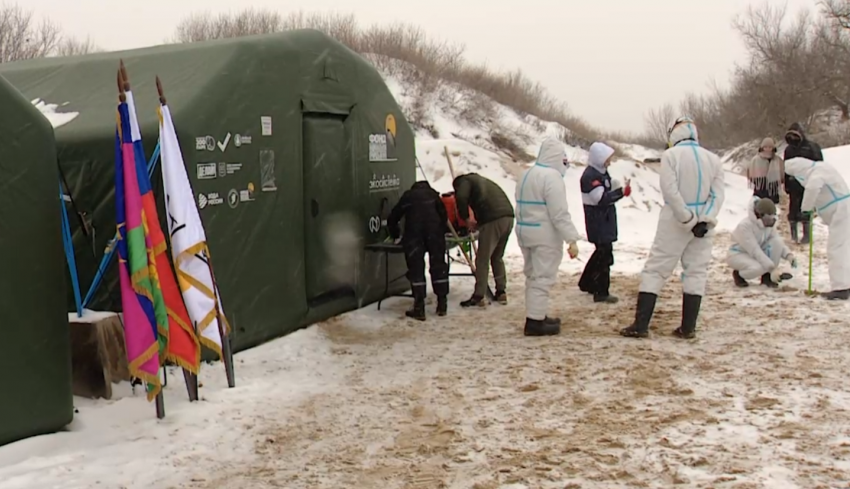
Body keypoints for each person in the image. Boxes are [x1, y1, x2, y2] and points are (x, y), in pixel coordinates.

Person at [620, 116, 725, 340]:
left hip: (674, 219)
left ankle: (641, 324)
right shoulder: (713, 159)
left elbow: (670, 190)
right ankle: (688, 327)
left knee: (656, 269)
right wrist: (704, 219)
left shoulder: (671, 156)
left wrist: (686, 218)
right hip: (704, 224)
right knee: (696, 272)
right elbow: (718, 195)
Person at [515, 137, 581, 336]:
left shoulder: (526, 173)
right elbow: (559, 213)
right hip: (544, 235)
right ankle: (535, 322)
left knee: (532, 276)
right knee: (542, 278)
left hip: (524, 231)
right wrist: (572, 239)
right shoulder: (551, 178)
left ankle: (537, 314)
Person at [784, 156, 850, 300]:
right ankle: (845, 283)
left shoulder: (816, 173)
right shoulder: (821, 167)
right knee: (844, 247)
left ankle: (841, 288)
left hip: (841, 212)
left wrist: (805, 209)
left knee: (837, 248)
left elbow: (812, 187)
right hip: (842, 210)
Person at [387, 180, 450, 320]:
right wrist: (441, 231)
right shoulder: (433, 195)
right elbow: (444, 216)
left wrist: (395, 235)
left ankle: (419, 307)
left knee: (416, 269)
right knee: (438, 266)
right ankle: (442, 304)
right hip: (435, 235)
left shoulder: (409, 196)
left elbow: (393, 217)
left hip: (414, 236)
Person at [577, 141, 631, 304]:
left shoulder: (599, 173)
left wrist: (616, 190)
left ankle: (587, 283)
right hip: (598, 222)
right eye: (607, 158)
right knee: (604, 256)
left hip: (603, 221)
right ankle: (601, 291)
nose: (609, 162)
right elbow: (600, 198)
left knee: (601, 253)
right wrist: (620, 193)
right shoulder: (590, 176)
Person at [452, 172, 515, 307]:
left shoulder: (464, 182)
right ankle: (501, 291)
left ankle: (479, 296)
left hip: (493, 219)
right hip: (508, 217)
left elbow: (461, 197)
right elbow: (487, 201)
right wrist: (480, 223)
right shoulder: (482, 181)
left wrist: (466, 219)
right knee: (497, 256)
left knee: (482, 259)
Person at [727, 197, 796, 288]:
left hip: (758, 252)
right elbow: (754, 250)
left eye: (773, 216)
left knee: (777, 242)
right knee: (758, 268)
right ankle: (739, 274)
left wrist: (789, 256)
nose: (771, 220)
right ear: (760, 215)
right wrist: (772, 269)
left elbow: (777, 241)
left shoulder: (769, 225)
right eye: (768, 217)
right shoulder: (745, 226)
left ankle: (767, 278)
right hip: (738, 254)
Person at [784, 122, 823, 244]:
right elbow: (785, 168)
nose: (793, 138)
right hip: (794, 183)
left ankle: (807, 235)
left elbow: (820, 166)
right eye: (791, 136)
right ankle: (794, 235)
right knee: (793, 209)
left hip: (808, 183)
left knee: (806, 208)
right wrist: (786, 184)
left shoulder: (811, 147)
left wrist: (818, 183)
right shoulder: (788, 150)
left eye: (795, 135)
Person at [746, 137, 784, 204]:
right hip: (760, 189)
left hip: (773, 190)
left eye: (770, 147)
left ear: (773, 148)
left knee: (772, 210)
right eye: (765, 147)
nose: (768, 149)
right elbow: (750, 173)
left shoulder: (778, 160)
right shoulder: (756, 160)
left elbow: (782, 175)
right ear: (762, 148)